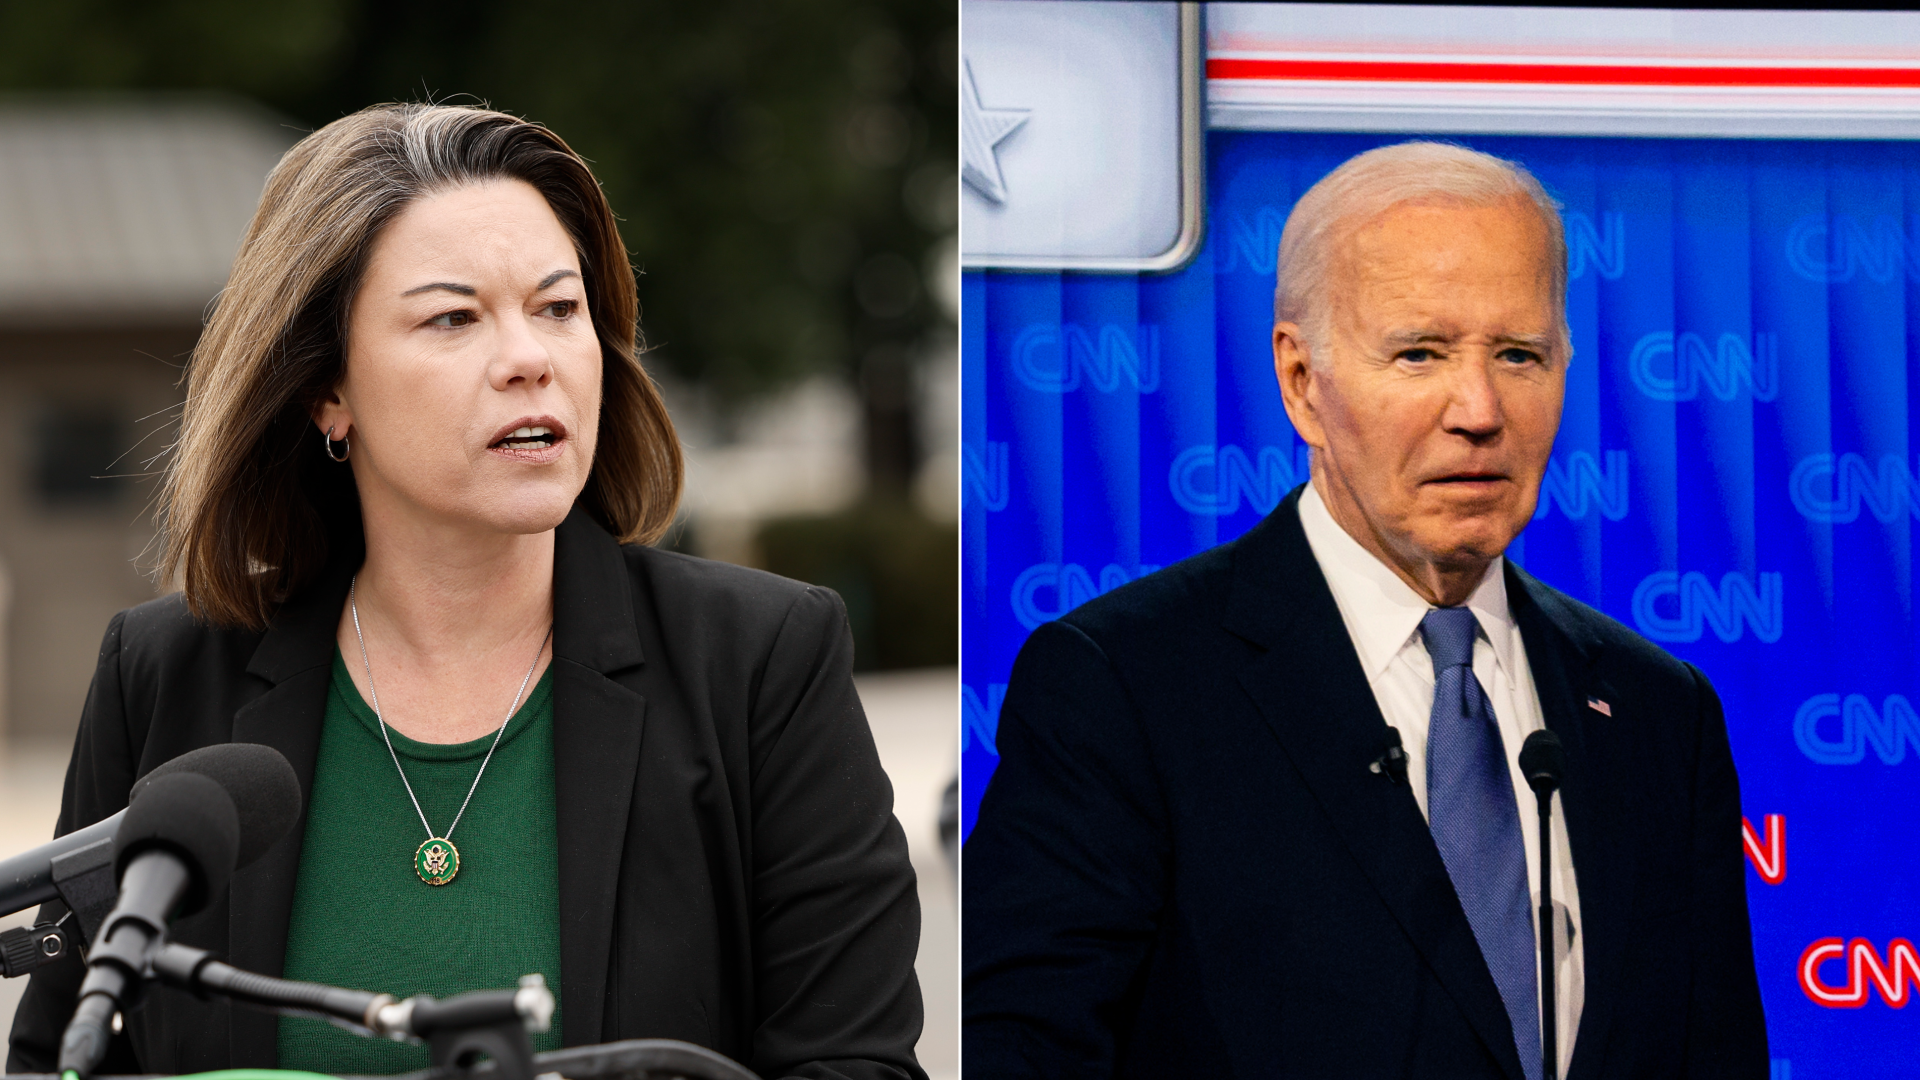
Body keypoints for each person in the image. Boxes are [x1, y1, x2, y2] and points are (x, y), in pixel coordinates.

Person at [7, 103, 925, 1080]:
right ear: (328, 388)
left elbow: (854, 1064)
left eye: (559, 308)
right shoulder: (165, 675)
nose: (531, 357)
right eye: (454, 317)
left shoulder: (762, 663)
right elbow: (64, 1056)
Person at [963, 142, 1767, 1078]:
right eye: (1420, 352)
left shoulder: (1659, 709)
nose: (1478, 408)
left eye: (1518, 354)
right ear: (1302, 381)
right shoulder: (1123, 687)